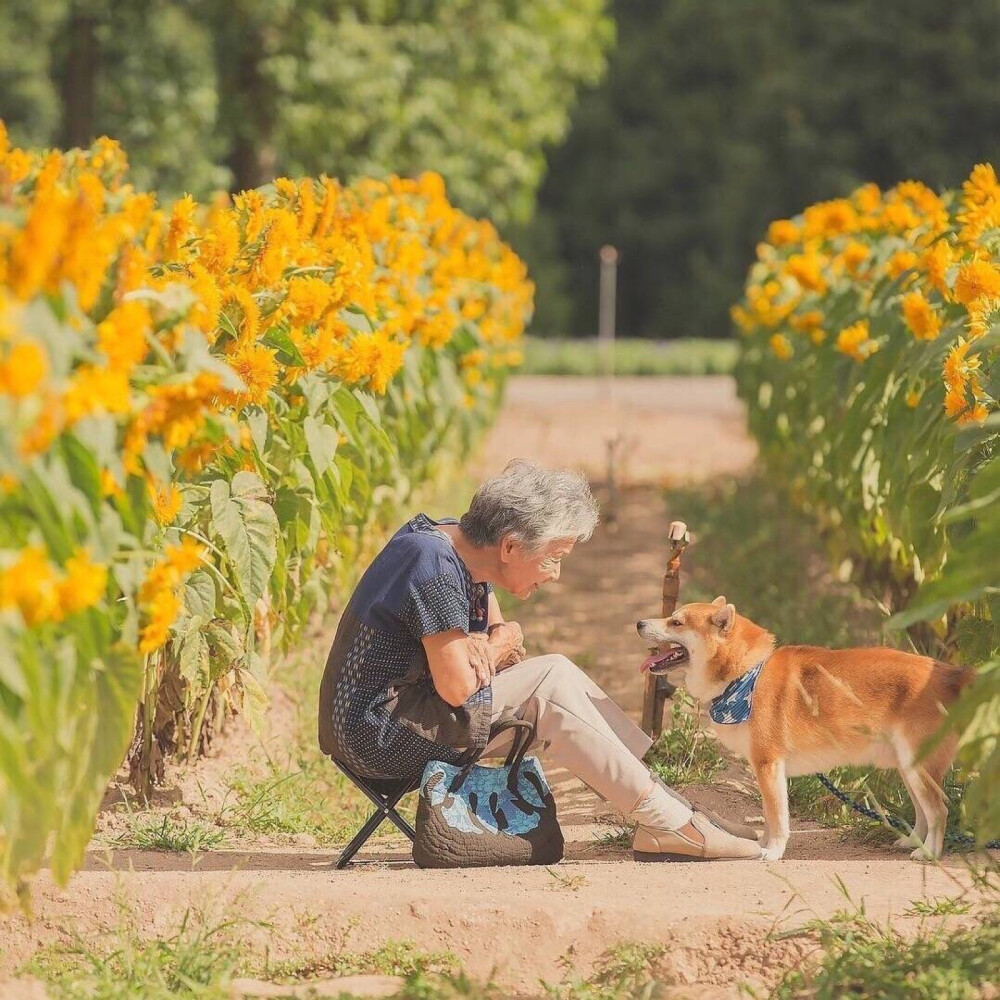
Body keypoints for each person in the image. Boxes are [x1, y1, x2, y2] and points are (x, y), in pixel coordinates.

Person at [318, 459, 761, 861]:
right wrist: (495, 645)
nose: (556, 574)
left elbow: (505, 639)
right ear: (510, 547)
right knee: (548, 681)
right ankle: (669, 820)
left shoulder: (459, 548)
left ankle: (664, 805)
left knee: (555, 671)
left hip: (406, 715)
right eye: (554, 557)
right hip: (379, 736)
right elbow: (461, 683)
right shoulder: (432, 563)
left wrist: (493, 644)